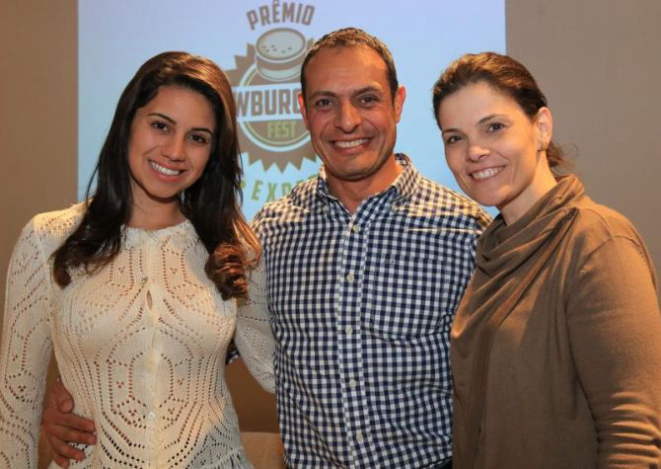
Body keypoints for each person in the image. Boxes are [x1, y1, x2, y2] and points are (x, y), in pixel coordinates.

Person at [42, 29, 490, 468]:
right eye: (325, 102)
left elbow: (509, 381)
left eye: (367, 98)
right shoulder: (268, 235)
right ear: (303, 110)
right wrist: (77, 389)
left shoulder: (467, 232)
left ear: (397, 102)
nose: (347, 121)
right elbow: (187, 339)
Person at [0, 51, 275, 468]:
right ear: (128, 121)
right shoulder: (48, 240)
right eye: (161, 126)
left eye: (198, 137)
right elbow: (15, 407)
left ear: (213, 153)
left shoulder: (233, 246)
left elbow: (279, 372)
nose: (175, 151)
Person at [433, 51, 661, 468]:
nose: (475, 151)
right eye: (455, 137)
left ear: (541, 127)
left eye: (494, 127)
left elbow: (634, 438)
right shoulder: (494, 251)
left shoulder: (596, 242)